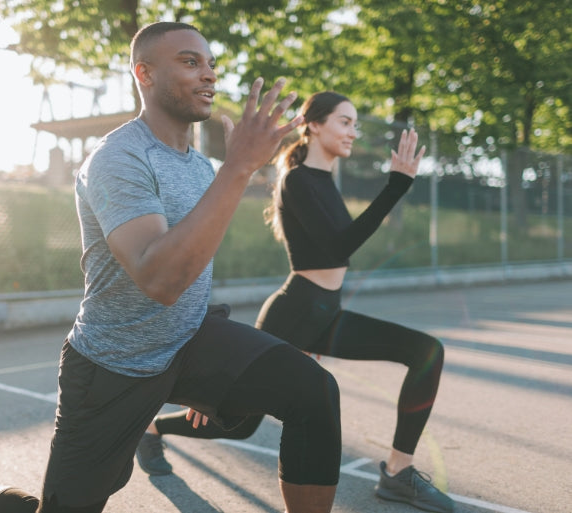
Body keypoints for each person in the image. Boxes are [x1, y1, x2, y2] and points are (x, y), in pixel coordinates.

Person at [0, 22, 344, 513]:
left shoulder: (197, 166)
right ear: (144, 73)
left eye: (211, 64)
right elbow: (160, 279)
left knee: (314, 393)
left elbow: (193, 265)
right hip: (113, 364)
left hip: (189, 342)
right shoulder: (117, 158)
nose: (208, 74)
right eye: (191, 62)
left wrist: (213, 372)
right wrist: (239, 168)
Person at [136, 92, 455, 513]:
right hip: (295, 312)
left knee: (426, 351)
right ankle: (153, 429)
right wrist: (396, 185)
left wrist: (396, 185)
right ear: (315, 124)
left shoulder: (324, 182)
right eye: (345, 121)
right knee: (238, 424)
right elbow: (341, 245)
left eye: (355, 124)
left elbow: (340, 247)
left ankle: (397, 472)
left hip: (328, 312)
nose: (352, 132)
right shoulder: (298, 180)